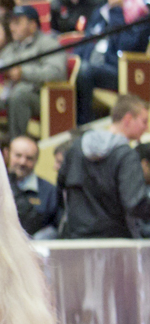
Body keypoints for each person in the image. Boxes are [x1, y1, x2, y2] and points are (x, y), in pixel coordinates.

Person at [57, 93, 150, 238]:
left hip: (76, 238)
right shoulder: (126, 155)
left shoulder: (76, 147)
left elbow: (61, 188)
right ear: (128, 119)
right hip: (114, 240)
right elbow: (134, 203)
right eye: (144, 121)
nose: (146, 127)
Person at [75, 0, 150, 122]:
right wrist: (74, 60)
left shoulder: (137, 15)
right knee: (75, 68)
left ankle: (84, 121)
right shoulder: (101, 12)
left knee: (84, 71)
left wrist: (117, 12)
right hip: (93, 64)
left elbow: (125, 46)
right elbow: (86, 40)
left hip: (118, 70)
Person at [0, 3, 65, 138]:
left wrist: (23, 73)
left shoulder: (48, 43)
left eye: (17, 23)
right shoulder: (12, 47)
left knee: (19, 96)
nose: (12, 28)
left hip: (40, 95)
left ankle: (15, 142)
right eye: (11, 23)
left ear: (33, 25)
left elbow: (56, 72)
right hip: (9, 92)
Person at [5, 135, 60, 237]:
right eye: (18, 155)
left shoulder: (49, 191)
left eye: (29, 158)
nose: (22, 162)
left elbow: (54, 227)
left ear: (36, 161)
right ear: (7, 155)